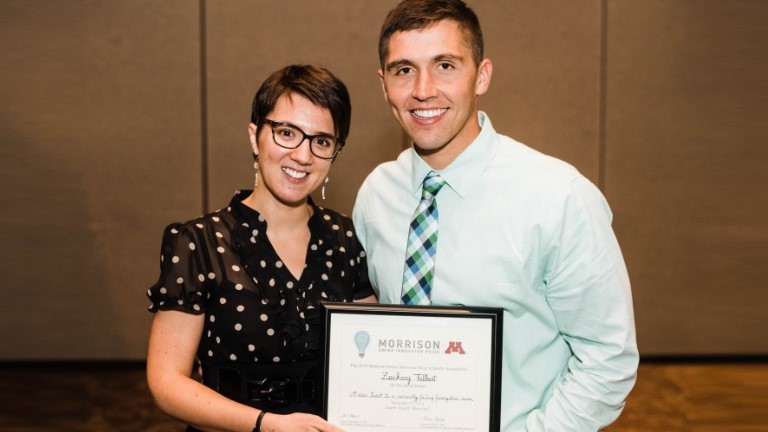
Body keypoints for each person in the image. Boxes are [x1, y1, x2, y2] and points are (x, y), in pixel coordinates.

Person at [352, 0, 639, 430]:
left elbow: (607, 360)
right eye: (404, 70)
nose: (423, 89)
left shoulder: (558, 197)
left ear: (481, 75)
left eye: (445, 65)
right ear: (383, 83)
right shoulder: (377, 194)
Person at [146, 64, 376, 432]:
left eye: (321, 141)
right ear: (255, 137)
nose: (303, 155)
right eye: (287, 133)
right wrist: (264, 424)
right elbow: (167, 384)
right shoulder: (199, 242)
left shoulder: (348, 240)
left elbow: (375, 359)